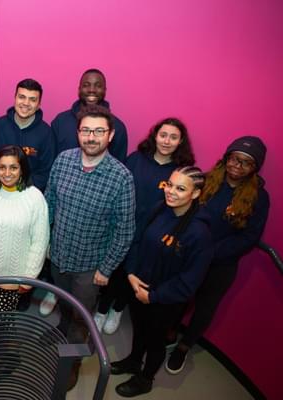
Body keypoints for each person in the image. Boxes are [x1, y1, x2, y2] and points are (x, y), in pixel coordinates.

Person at [45, 105, 135, 390]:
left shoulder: (121, 177)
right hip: (59, 256)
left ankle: (73, 363)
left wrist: (106, 269)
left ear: (110, 136)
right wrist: (46, 243)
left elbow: (125, 230)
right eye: (86, 130)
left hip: (90, 267)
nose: (91, 137)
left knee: (81, 317)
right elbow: (50, 203)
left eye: (99, 131)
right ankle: (60, 330)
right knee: (63, 303)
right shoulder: (63, 161)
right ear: (78, 133)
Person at [165, 136, 270, 375]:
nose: (237, 166)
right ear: (226, 158)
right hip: (189, 255)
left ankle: (183, 347)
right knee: (180, 295)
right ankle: (170, 331)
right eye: (234, 158)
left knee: (205, 308)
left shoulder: (259, 198)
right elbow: (186, 210)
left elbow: (249, 237)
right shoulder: (206, 180)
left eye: (246, 163)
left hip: (221, 265)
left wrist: (211, 252)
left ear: (254, 168)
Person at [111, 166, 212, 397]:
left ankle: (145, 379)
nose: (171, 191)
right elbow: (137, 241)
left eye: (180, 188)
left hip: (164, 301)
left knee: (155, 340)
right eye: (169, 184)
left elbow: (189, 282)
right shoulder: (158, 209)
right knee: (139, 330)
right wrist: (131, 274)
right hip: (138, 288)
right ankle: (134, 361)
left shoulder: (199, 233)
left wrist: (153, 296)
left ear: (195, 194)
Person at [94, 118, 195, 335]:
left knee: (133, 274)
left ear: (181, 142)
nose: (167, 141)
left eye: (173, 137)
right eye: (163, 135)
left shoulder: (180, 171)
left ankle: (118, 309)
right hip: (121, 226)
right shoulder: (135, 159)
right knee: (113, 270)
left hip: (151, 234)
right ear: (155, 136)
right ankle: (101, 310)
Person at [0, 145, 50, 314]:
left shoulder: (34, 197)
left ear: (22, 169)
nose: (7, 173)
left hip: (15, 277)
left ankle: (1, 339)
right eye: (2, 167)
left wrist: (28, 279)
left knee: (3, 320)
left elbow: (39, 242)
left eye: (13, 167)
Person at [51, 68, 128, 162]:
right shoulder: (61, 121)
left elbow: (117, 169)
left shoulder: (117, 127)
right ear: (79, 89)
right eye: (86, 85)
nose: (92, 90)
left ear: (105, 90)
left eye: (98, 86)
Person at [0, 79, 54, 192]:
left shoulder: (46, 133)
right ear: (15, 98)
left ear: (38, 104)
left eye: (32, 99)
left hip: (28, 194)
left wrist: (22, 188)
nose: (26, 103)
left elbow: (45, 171)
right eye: (22, 97)